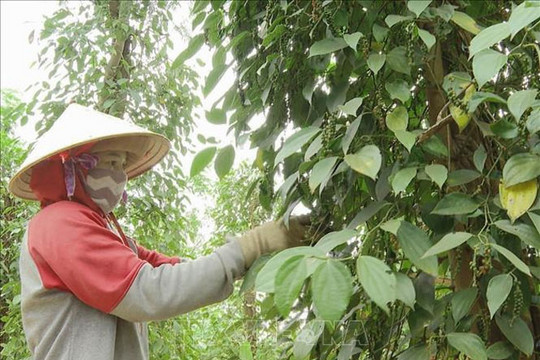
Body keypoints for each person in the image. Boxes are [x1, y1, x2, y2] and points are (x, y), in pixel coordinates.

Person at [9, 103, 311, 360]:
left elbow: (173, 272)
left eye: (123, 165)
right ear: (72, 168)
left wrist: (254, 253)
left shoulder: (105, 230)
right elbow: (149, 291)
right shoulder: (60, 223)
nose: (120, 175)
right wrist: (250, 246)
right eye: (111, 161)